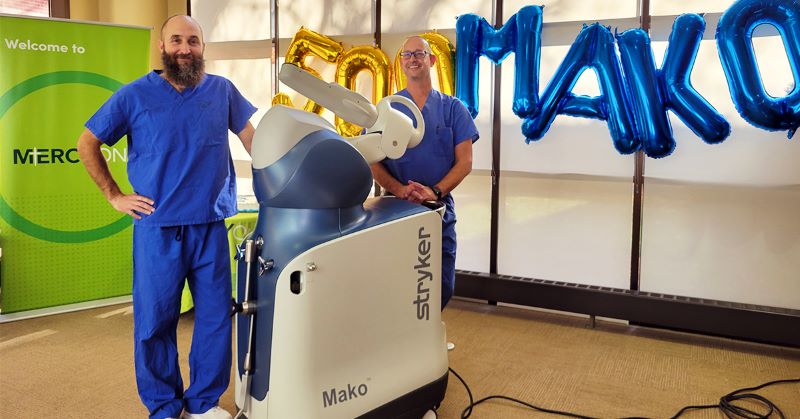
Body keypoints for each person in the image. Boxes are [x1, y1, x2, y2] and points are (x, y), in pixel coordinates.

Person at [77, 15, 256, 419]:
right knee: (155, 322)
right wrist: (114, 196)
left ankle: (203, 404)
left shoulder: (222, 90)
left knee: (214, 319)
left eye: (193, 41)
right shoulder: (134, 95)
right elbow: (87, 142)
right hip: (158, 228)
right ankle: (163, 406)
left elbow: (253, 141)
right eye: (176, 40)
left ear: (202, 47)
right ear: (162, 47)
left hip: (210, 225)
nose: (185, 48)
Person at [371, 36, 479, 310]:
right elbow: (371, 160)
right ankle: (402, 333)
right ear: (401, 63)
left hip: (437, 207)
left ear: (431, 60)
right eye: (407, 54)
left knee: (442, 284)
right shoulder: (388, 109)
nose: (413, 59)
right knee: (397, 282)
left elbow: (465, 162)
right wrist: (399, 189)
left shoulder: (453, 109)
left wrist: (435, 191)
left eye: (419, 53)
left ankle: (427, 330)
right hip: (395, 206)